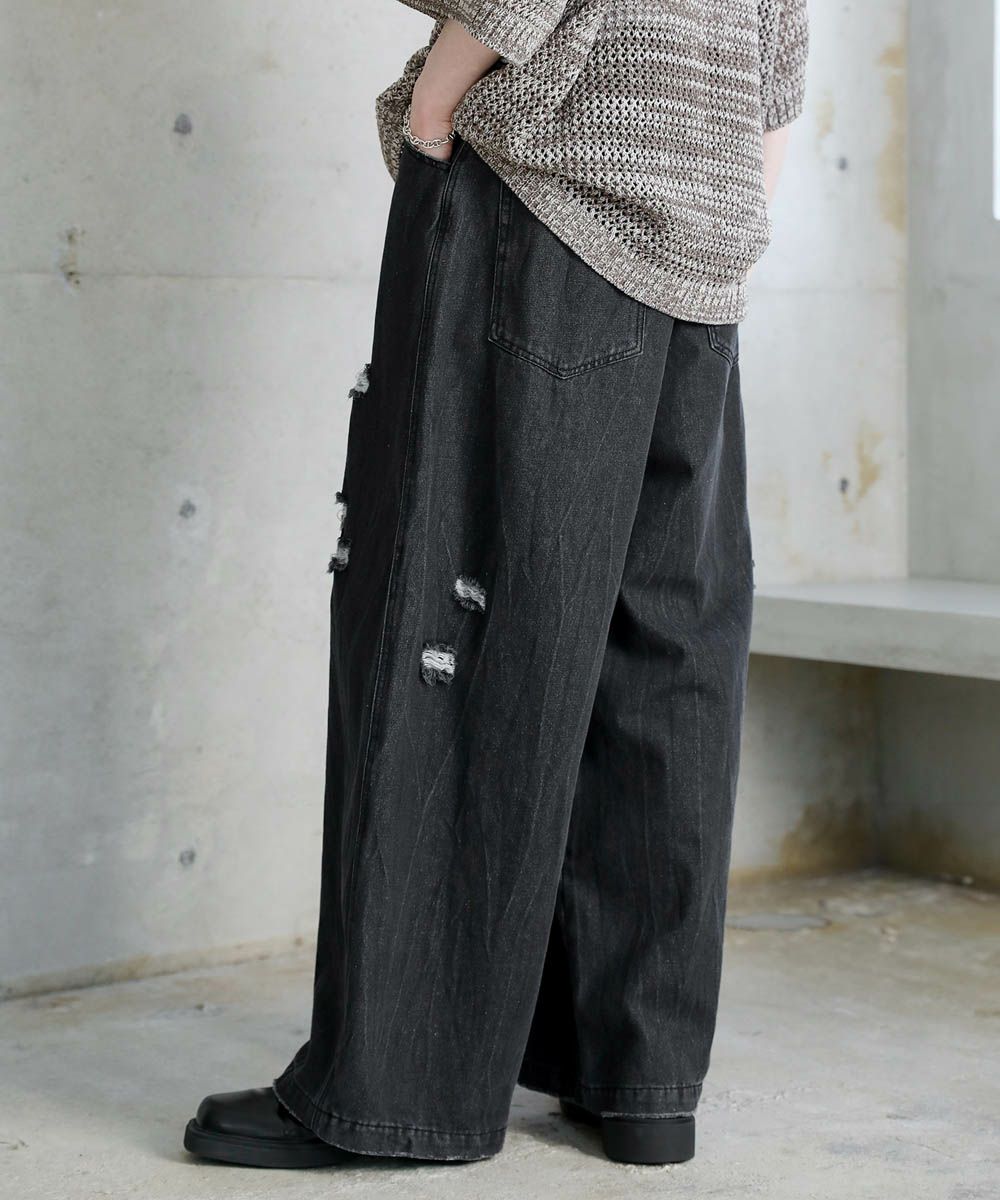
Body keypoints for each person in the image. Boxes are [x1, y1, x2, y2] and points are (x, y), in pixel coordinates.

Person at [183, 0, 808, 1170]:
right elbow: (780, 67)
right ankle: (635, 1078)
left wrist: (436, 100)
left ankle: (399, 1091)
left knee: (455, 628)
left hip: (549, 201)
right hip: (705, 240)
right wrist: (728, 214)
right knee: (661, 653)